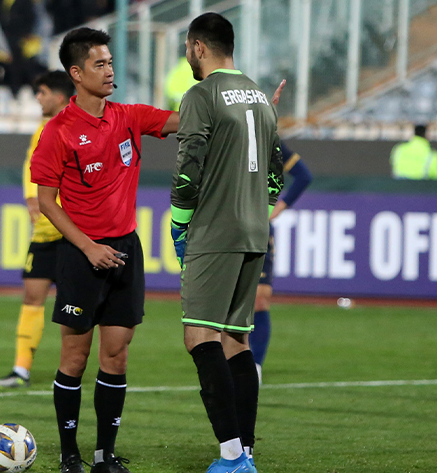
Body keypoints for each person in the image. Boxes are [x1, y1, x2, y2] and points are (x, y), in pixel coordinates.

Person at [30, 28, 177, 473]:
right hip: (80, 255)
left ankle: (104, 455)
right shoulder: (57, 133)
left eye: (111, 62)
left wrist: (248, 108)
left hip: (125, 251)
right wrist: (88, 247)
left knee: (117, 354)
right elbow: (45, 202)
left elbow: (180, 120)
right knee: (74, 357)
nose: (110, 70)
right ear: (76, 73)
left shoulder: (129, 116)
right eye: (100, 64)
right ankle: (69, 454)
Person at [170, 13, 283, 473]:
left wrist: (179, 223)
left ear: (199, 47)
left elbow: (188, 161)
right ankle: (247, 453)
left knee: (199, 334)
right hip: (256, 231)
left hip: (216, 232)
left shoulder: (201, 94)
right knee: (236, 340)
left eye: (186, 47)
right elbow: (275, 173)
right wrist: (259, 205)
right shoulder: (259, 95)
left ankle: (232, 456)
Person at [0, 70, 73, 388]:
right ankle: (21, 369)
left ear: (58, 96)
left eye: (41, 93)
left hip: (72, 231)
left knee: (74, 305)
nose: (38, 98)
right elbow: (33, 168)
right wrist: (31, 200)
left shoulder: (75, 126)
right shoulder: (43, 128)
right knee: (32, 295)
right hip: (44, 230)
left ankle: (72, 368)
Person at [250, 141, 313, 382]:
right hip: (229, 224)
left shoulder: (269, 141)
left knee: (260, 299)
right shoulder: (228, 133)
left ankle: (255, 365)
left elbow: (303, 176)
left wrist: (279, 208)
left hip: (259, 229)